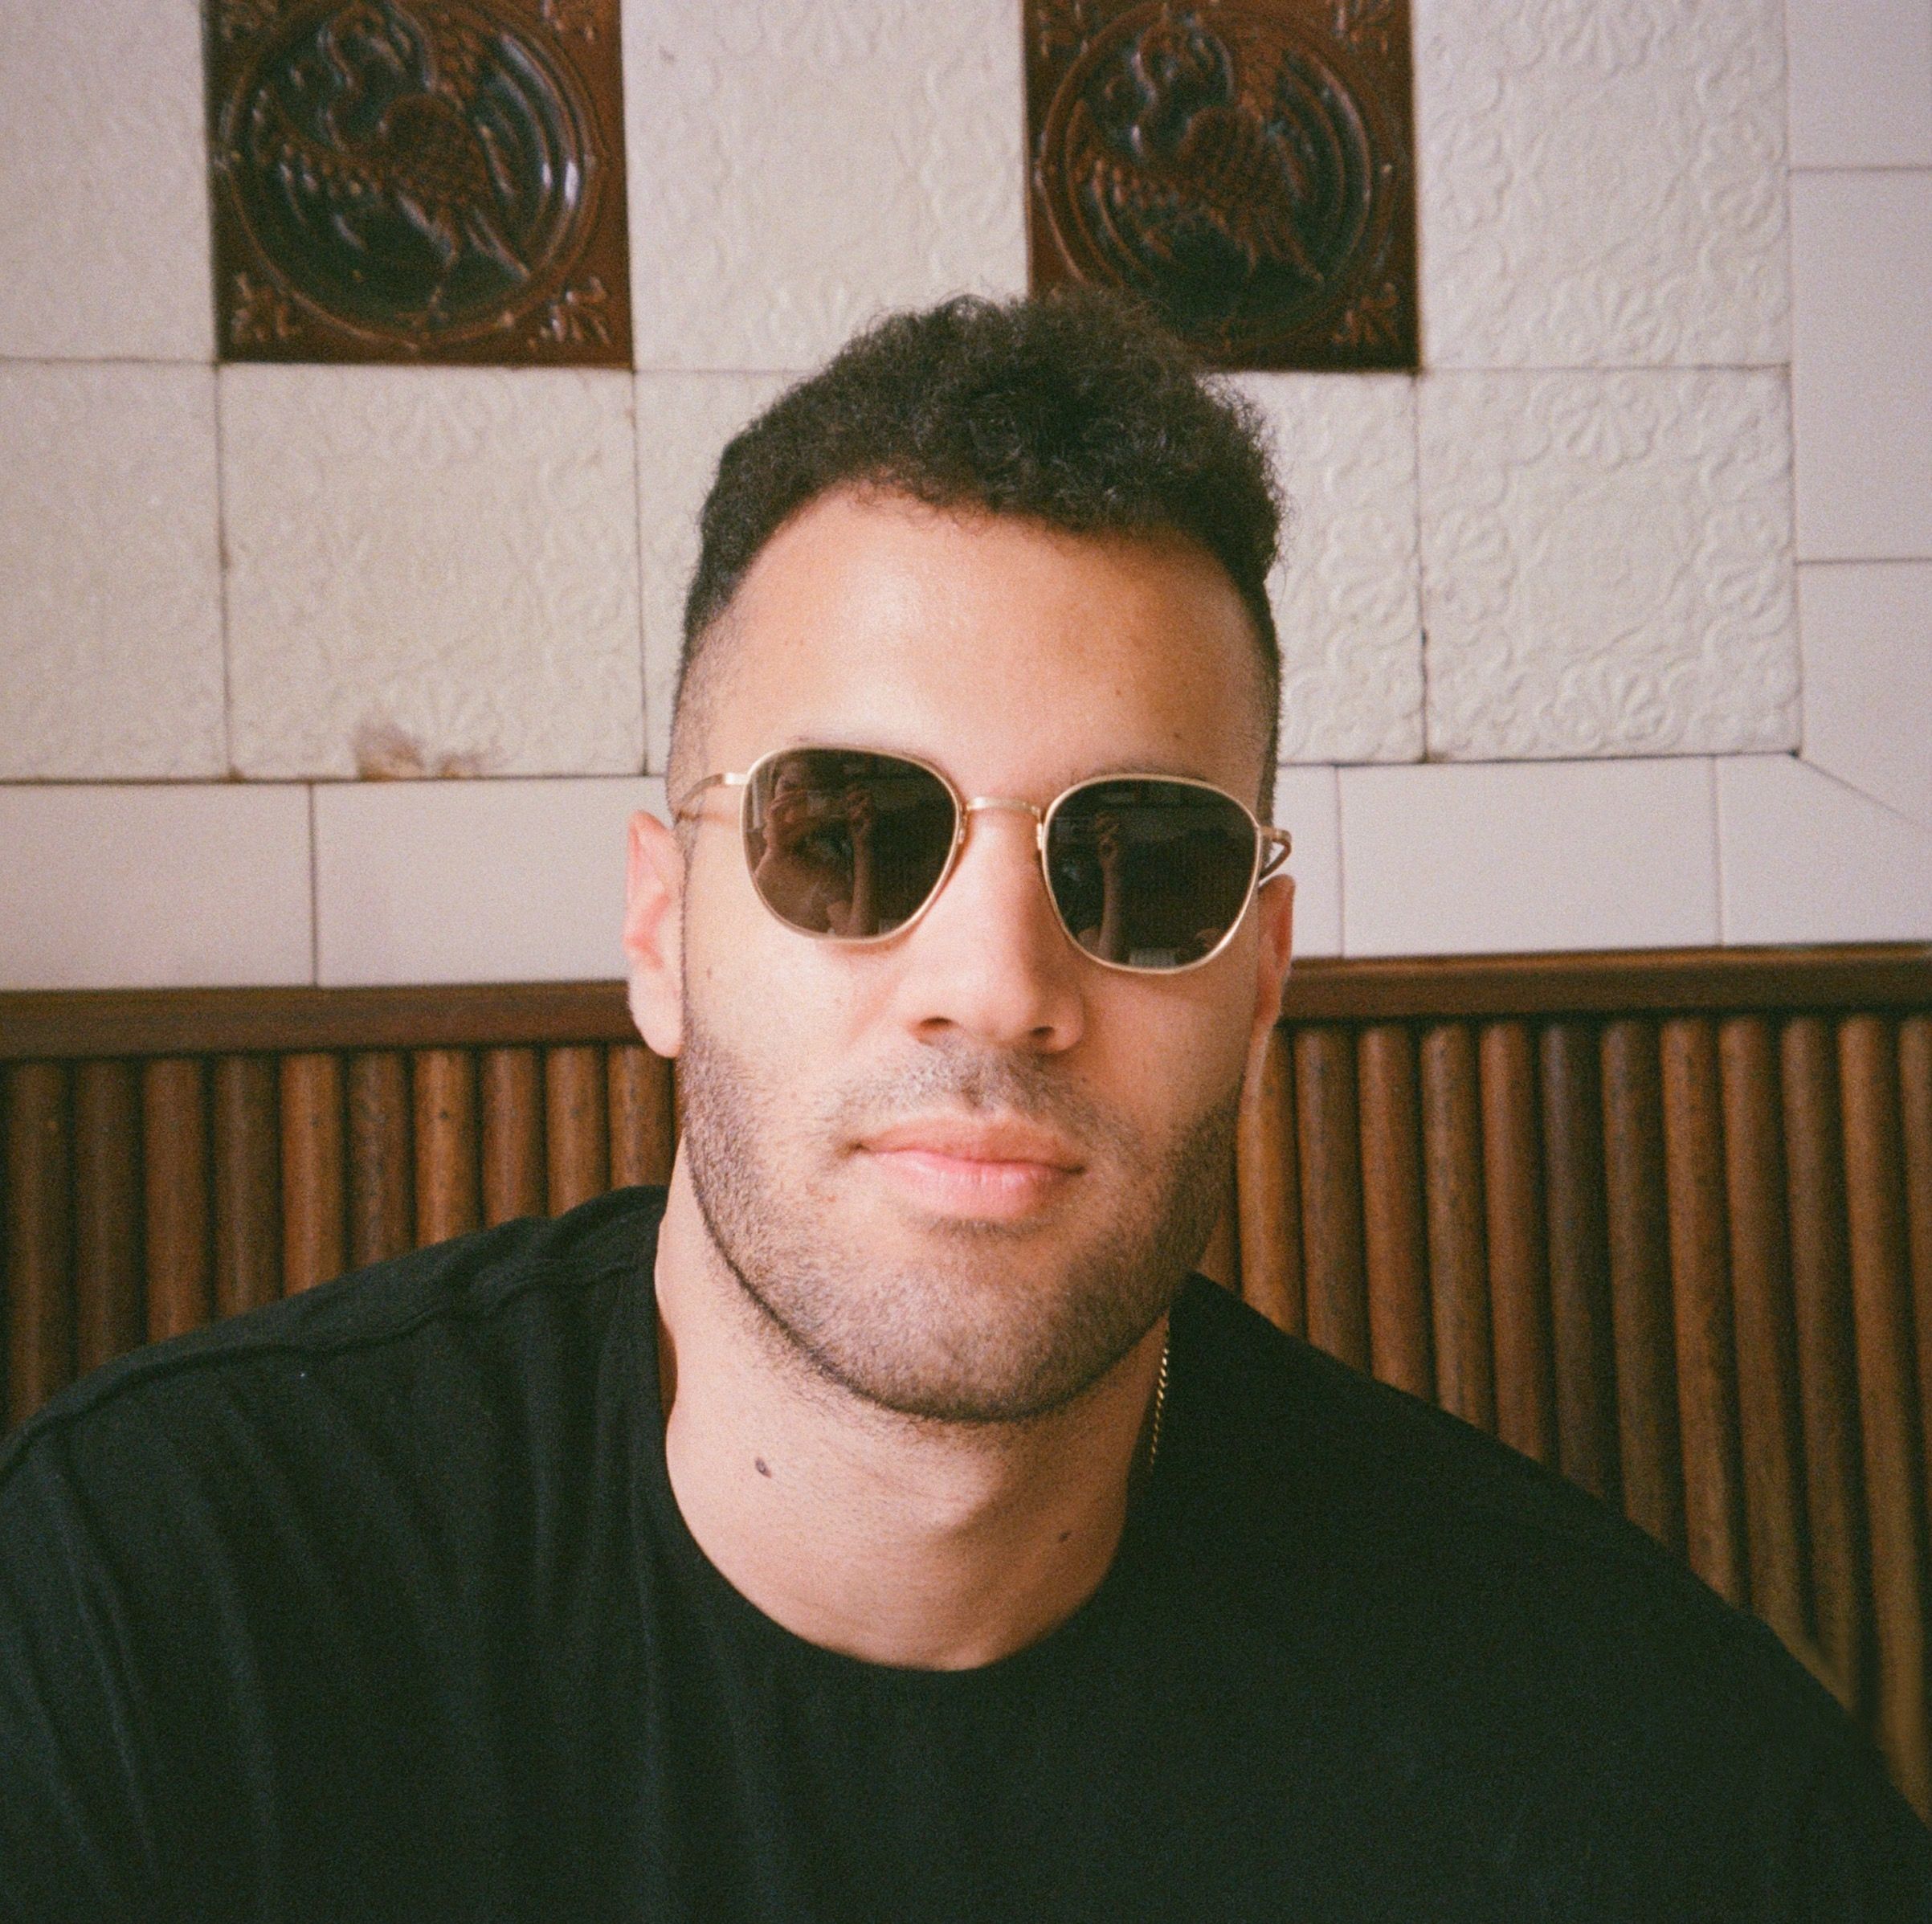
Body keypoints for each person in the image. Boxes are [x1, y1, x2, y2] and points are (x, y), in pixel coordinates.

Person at [1, 294, 1926, 1922]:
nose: (999, 983)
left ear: (1259, 984)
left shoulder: (1604, 1760)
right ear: (662, 931)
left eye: (1144, 865)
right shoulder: (161, 1614)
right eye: (850, 835)